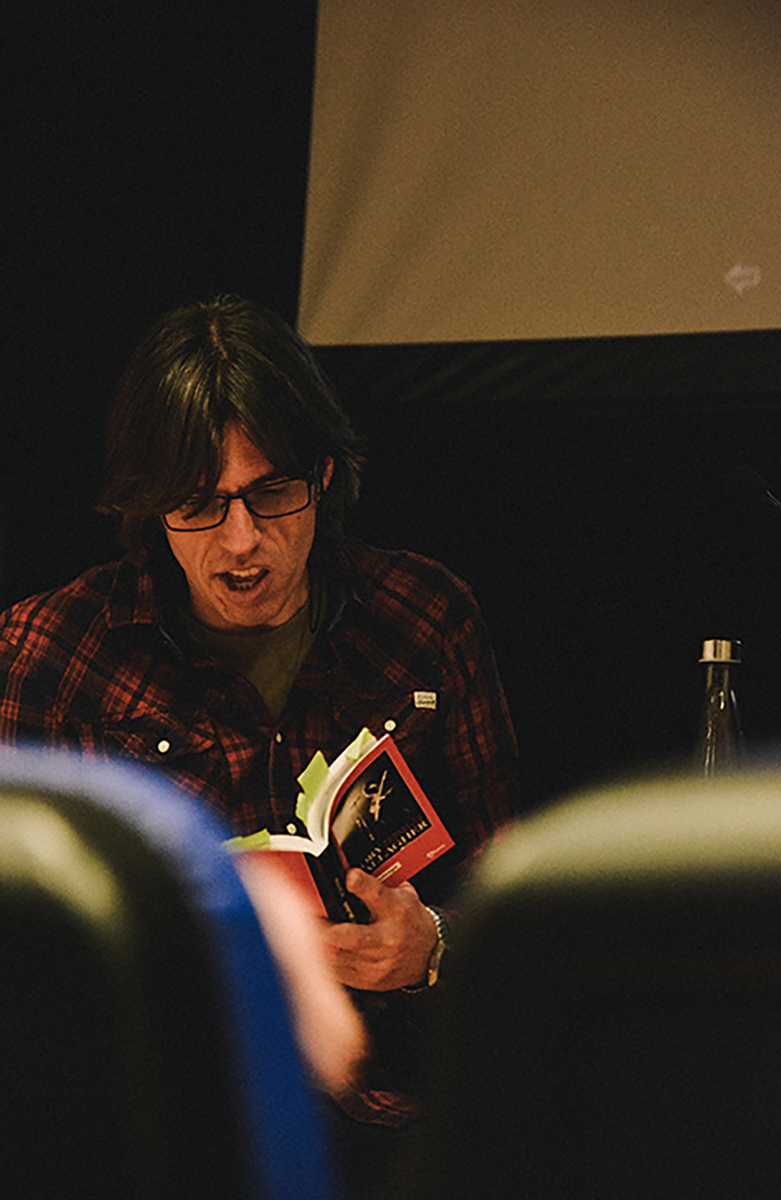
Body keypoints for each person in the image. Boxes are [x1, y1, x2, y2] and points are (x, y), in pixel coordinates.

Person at [0, 296, 519, 1186]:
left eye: (272, 492)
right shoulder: (46, 653)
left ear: (323, 476)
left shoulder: (422, 619)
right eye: (200, 504)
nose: (242, 542)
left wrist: (430, 943)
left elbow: (503, 894)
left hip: (391, 1108)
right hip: (161, 1112)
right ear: (151, 506)